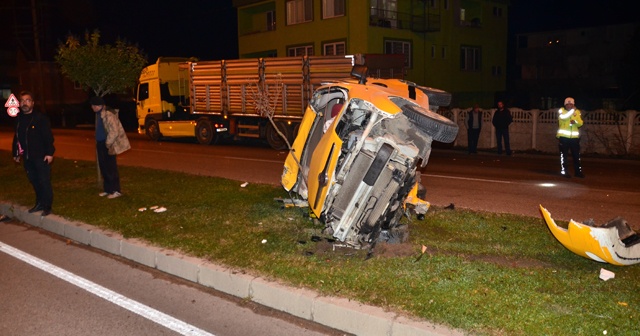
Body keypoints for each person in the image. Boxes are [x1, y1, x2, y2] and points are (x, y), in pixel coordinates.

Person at [12, 90, 55, 216]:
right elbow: (17, 137)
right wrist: (15, 153)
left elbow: (48, 137)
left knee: (44, 181)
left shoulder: (40, 118)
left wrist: (49, 153)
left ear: (33, 103)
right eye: (22, 100)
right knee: (34, 180)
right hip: (27, 157)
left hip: (41, 156)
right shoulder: (19, 119)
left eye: (28, 100)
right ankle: (39, 203)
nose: (25, 103)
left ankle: (47, 205)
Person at [90, 96, 131, 198]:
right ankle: (108, 189)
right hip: (100, 143)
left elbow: (114, 131)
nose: (92, 107)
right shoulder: (99, 114)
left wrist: (108, 143)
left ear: (98, 106)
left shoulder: (108, 114)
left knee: (111, 167)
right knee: (104, 167)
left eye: (93, 106)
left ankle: (116, 190)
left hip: (107, 144)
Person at [557, 97, 584, 178]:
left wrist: (574, 121)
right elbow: (563, 118)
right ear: (565, 105)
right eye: (568, 104)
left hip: (574, 138)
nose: (569, 105)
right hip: (563, 137)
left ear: (573, 104)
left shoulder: (577, 112)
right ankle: (564, 171)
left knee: (576, 156)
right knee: (564, 155)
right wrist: (572, 111)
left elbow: (580, 123)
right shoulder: (561, 111)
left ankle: (578, 172)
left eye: (571, 104)